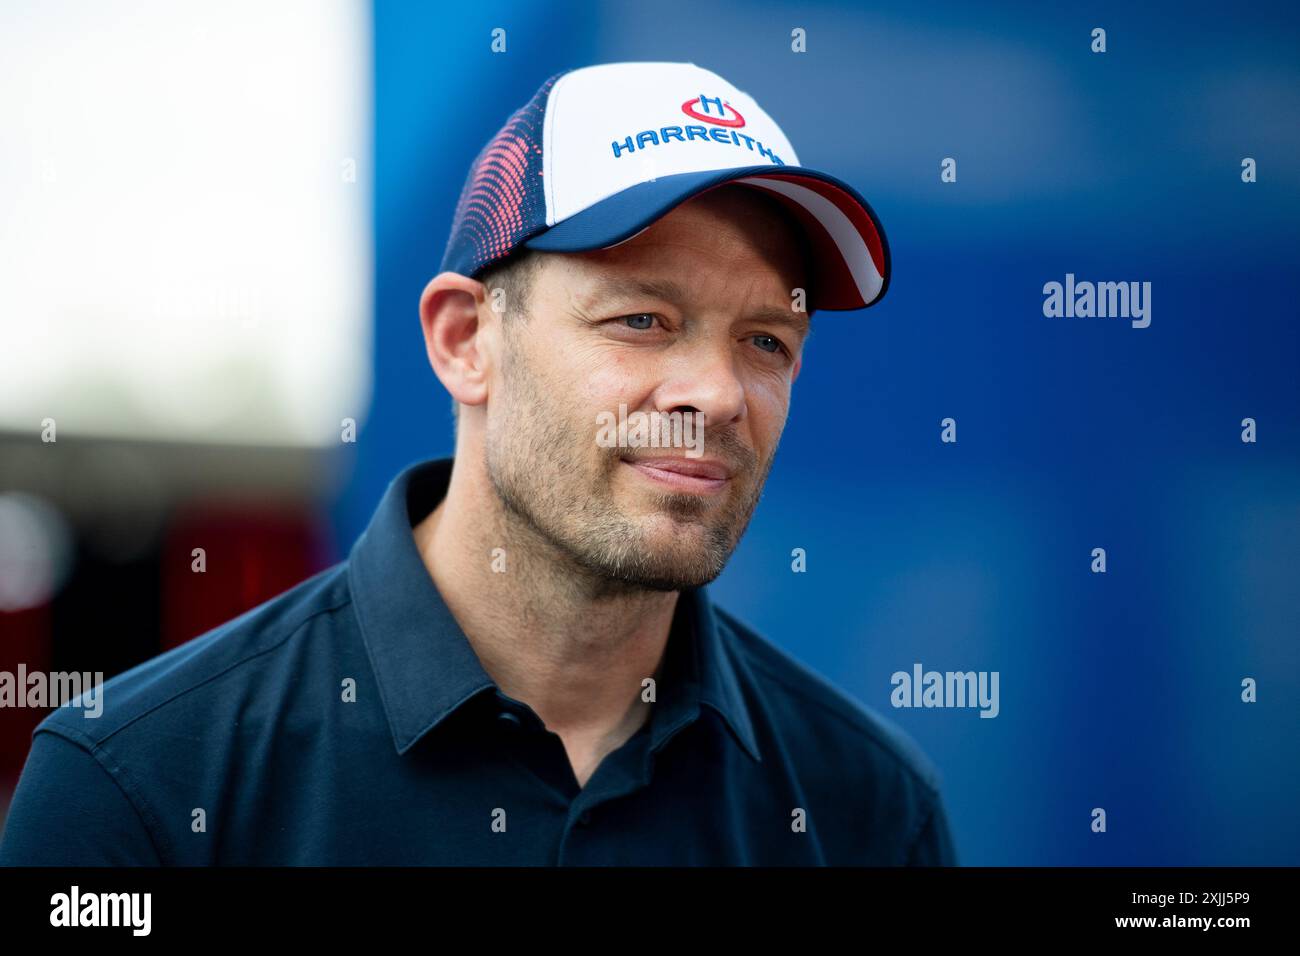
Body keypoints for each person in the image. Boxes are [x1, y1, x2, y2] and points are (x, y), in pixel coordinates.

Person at [0, 61, 956, 865]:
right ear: (465, 341)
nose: (715, 394)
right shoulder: (143, 784)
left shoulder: (868, 808)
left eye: (767, 342)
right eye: (642, 320)